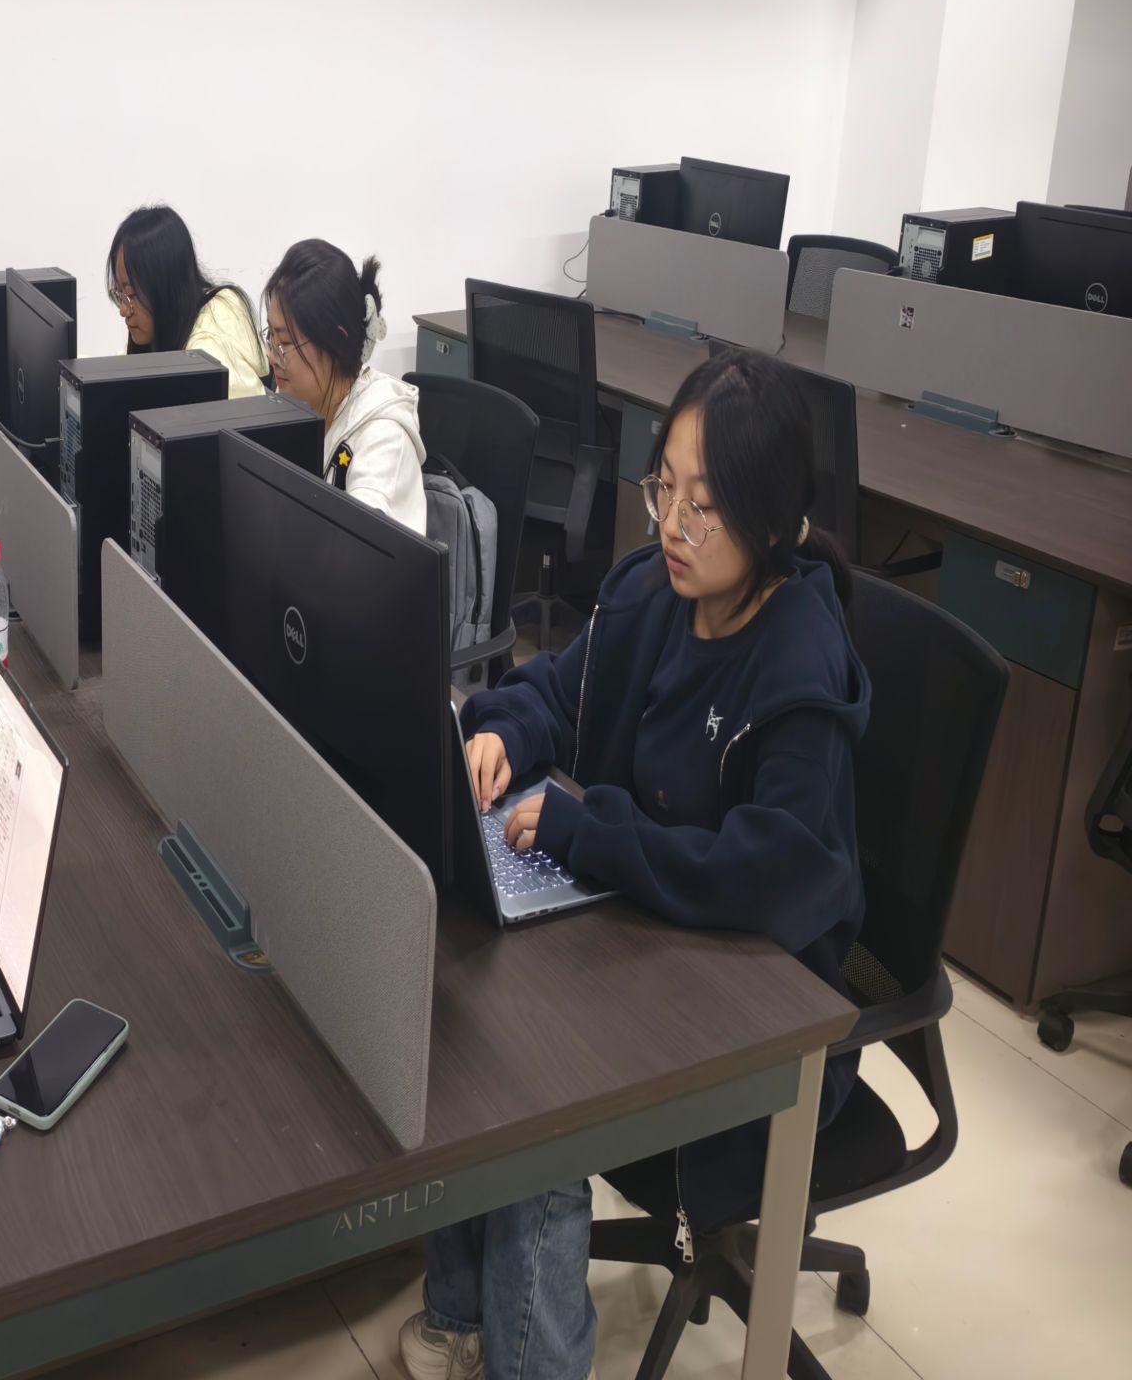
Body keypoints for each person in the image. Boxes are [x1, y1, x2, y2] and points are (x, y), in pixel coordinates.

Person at [398, 350, 869, 1380]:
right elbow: (560, 691)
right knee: (465, 1002)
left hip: (757, 1005)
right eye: (666, 489)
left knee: (535, 1108)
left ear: (771, 520)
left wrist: (593, 834)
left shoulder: (798, 657)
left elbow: (774, 875)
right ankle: (460, 1318)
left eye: (707, 506)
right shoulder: (650, 590)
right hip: (641, 938)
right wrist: (505, 733)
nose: (673, 526)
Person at [262, 240, 425, 534]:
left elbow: (361, 547)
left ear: (337, 341)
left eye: (284, 342)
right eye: (271, 337)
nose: (272, 356)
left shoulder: (384, 440)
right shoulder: (298, 405)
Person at [107, 205, 267, 397]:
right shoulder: (174, 326)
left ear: (166, 288)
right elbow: (119, 368)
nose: (124, 310)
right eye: (120, 294)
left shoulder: (207, 360)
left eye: (131, 295)